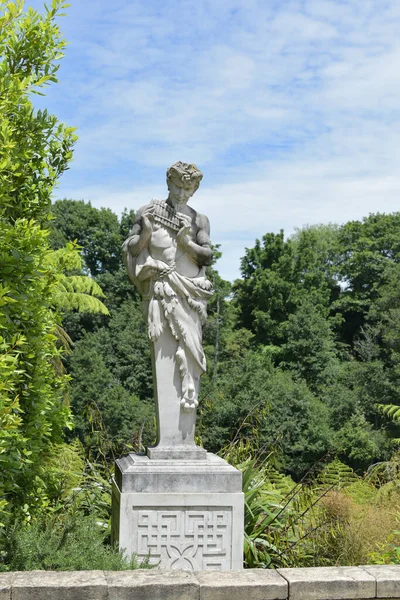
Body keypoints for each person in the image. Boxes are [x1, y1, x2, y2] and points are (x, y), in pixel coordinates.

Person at [122, 162, 212, 412]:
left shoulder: (198, 220)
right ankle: (169, 437)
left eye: (188, 189)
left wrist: (186, 243)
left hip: (191, 294)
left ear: (194, 189)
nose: (182, 194)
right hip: (162, 292)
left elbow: (206, 256)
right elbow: (131, 248)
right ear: (168, 183)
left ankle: (189, 398)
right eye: (178, 187)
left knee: (192, 353)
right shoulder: (148, 211)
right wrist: (146, 233)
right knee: (164, 358)